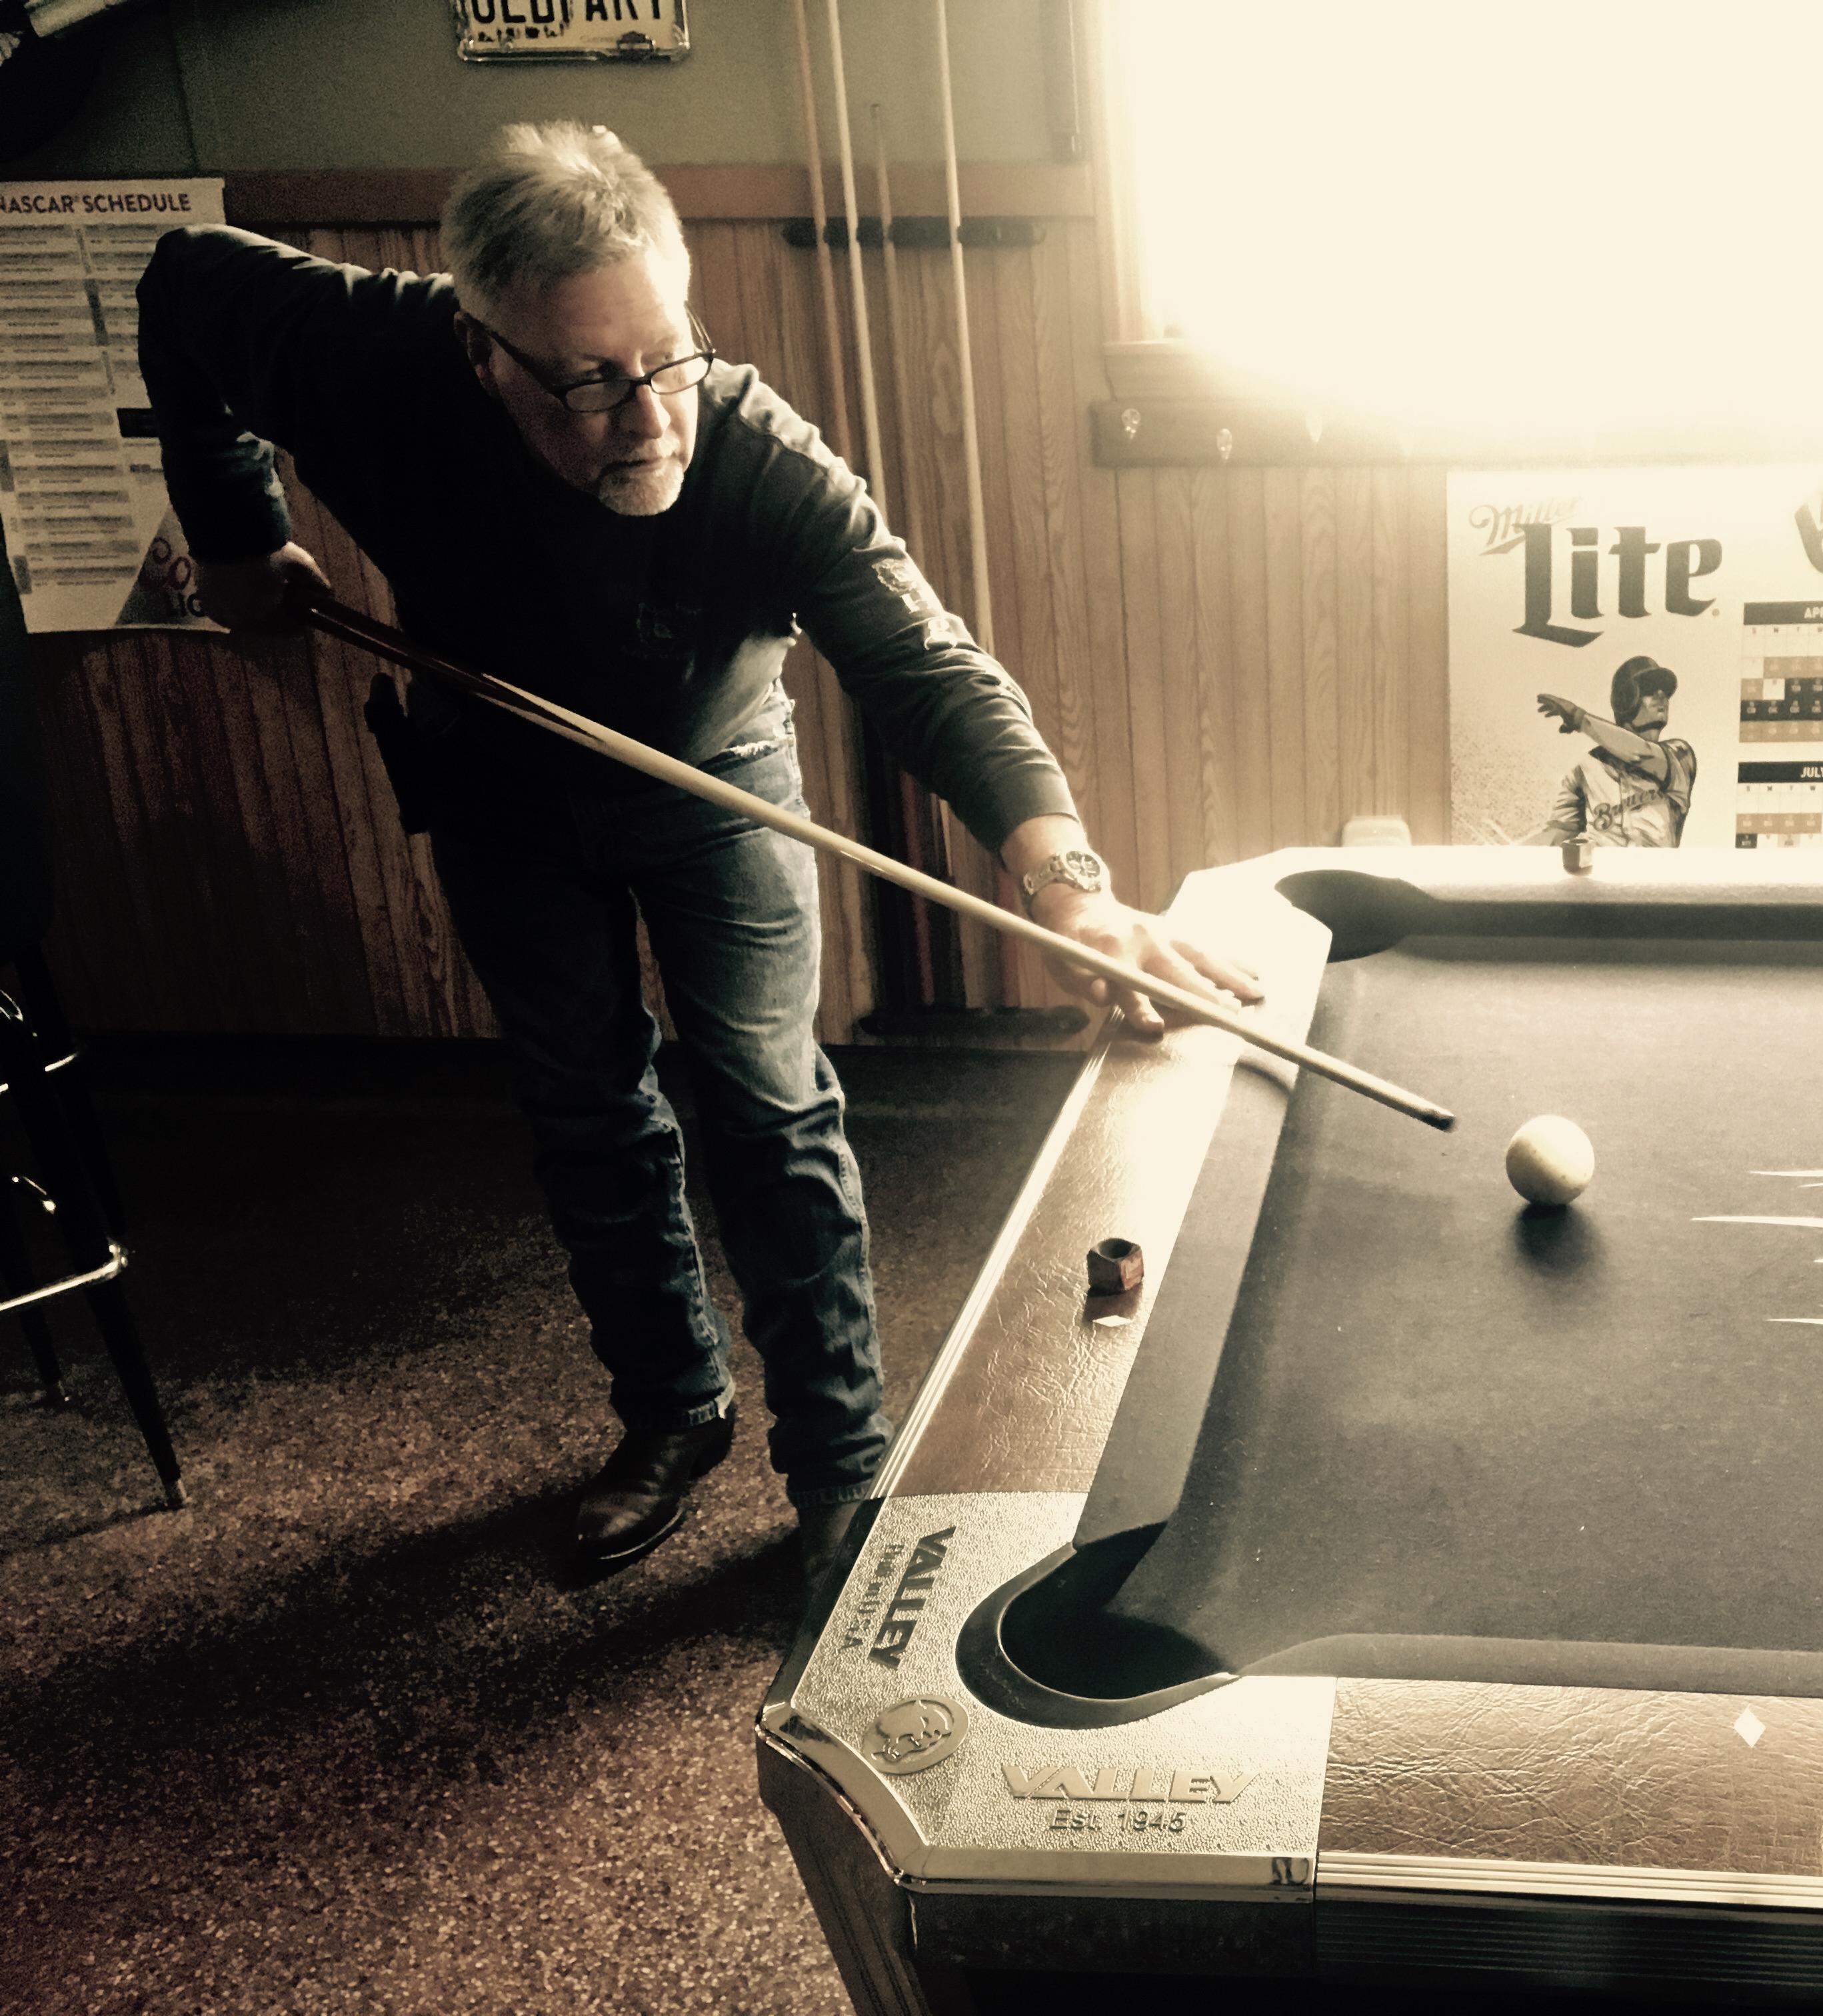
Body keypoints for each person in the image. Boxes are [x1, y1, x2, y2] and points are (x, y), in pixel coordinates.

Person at [135, 121, 1259, 1602]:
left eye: (667, 356)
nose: (647, 413)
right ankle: (671, 1414)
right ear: (486, 350)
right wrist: (233, 535)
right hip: (496, 775)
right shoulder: (366, 357)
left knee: (768, 1104)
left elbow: (932, 672)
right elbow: (180, 286)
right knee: (587, 1105)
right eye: (591, 381)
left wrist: (1068, 882)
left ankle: (841, 1470)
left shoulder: (750, 450)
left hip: (715, 778)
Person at [1531, 654, 1698, 847]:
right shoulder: (1588, 766)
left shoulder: (1680, 754)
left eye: (1665, 691)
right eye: (1649, 689)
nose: (1662, 696)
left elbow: (1640, 753)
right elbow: (1558, 832)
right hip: (1601, 874)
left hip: (1654, 873)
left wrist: (1580, 719)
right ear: (1626, 699)